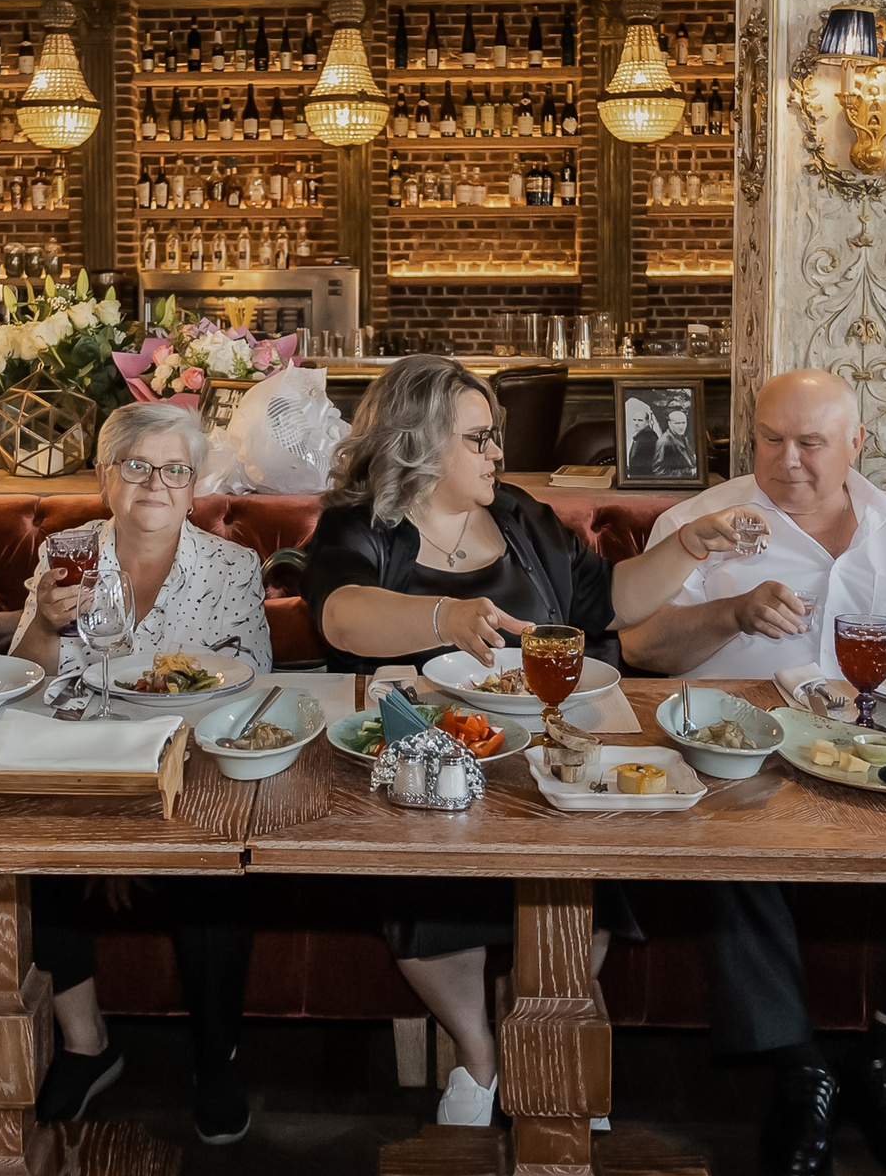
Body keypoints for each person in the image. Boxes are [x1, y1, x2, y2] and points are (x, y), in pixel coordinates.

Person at [302, 355, 731, 1127]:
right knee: (423, 876)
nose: (497, 453)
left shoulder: (523, 518)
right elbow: (341, 615)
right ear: (421, 443)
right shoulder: (362, 526)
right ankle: (480, 1054)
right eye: (479, 438)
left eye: (493, 438)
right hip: (428, 762)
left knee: (593, 857)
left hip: (542, 756)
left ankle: (546, 1037)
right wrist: (445, 617)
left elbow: (612, 602)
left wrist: (693, 543)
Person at [620, 369, 886, 1176]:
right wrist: (730, 612)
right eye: (769, 439)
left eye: (810, 442)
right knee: (723, 827)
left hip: (884, 757)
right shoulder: (699, 523)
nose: (786, 461)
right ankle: (799, 1072)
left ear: (856, 442)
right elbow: (638, 650)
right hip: (746, 755)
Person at [11, 401, 272, 1144]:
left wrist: (143, 827)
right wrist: (46, 621)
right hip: (82, 764)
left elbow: (245, 692)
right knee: (31, 845)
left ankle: (216, 1057)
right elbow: (33, 681)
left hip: (190, 770)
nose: (155, 482)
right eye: (136, 465)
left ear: (193, 485)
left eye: (175, 469)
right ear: (105, 476)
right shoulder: (68, 549)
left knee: (216, 868)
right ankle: (87, 1044)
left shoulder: (231, 565)